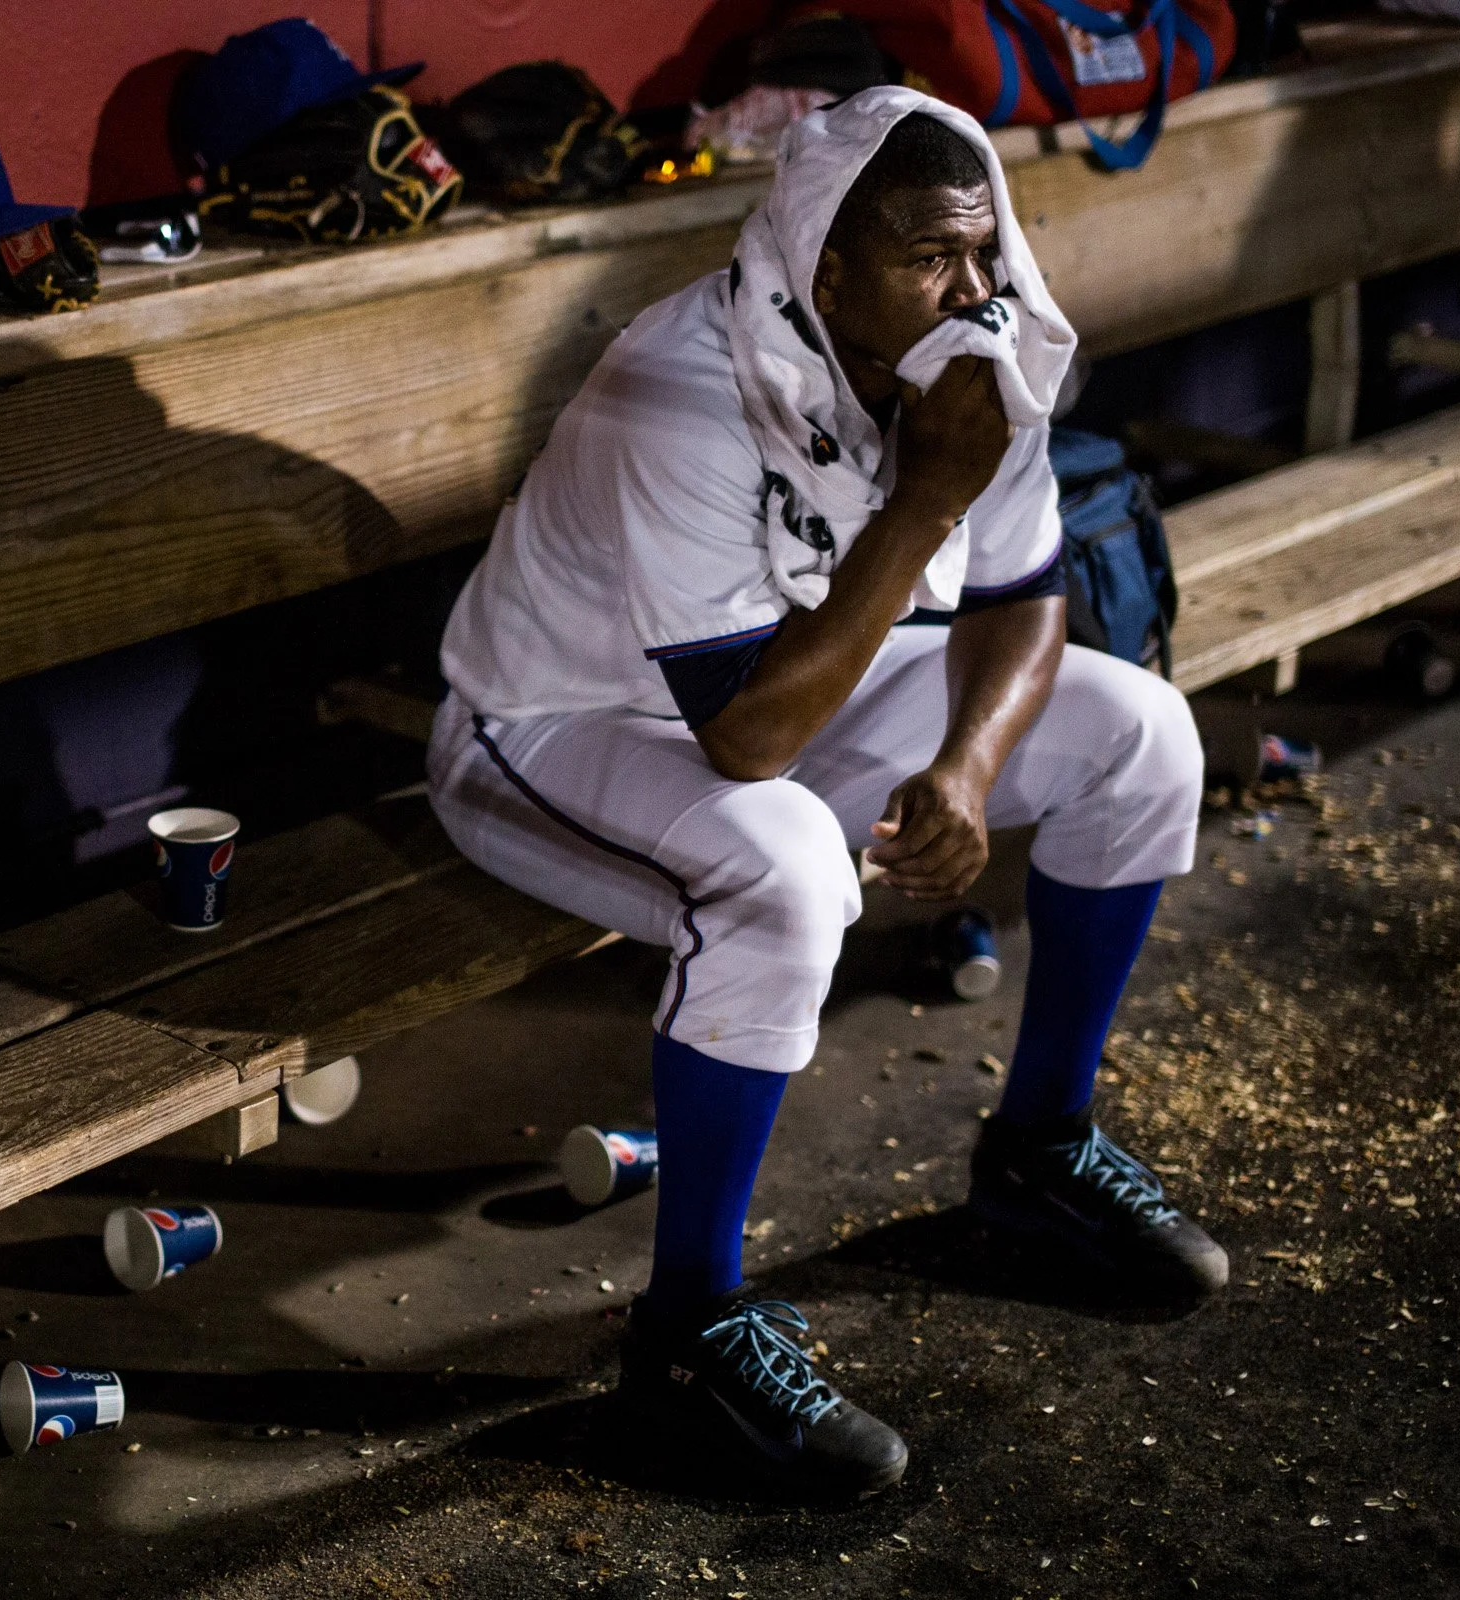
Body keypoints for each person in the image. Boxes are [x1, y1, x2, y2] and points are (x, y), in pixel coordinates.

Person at [427, 87, 1220, 1496]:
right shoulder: (681, 381)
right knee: (787, 865)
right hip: (553, 728)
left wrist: (967, 769)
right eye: (930, 258)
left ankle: (1039, 1151)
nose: (972, 288)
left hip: (803, 686)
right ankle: (684, 1336)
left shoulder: (982, 341)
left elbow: (1027, 601)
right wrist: (928, 499)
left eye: (980, 249)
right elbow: (744, 740)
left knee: (1144, 730)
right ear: (827, 267)